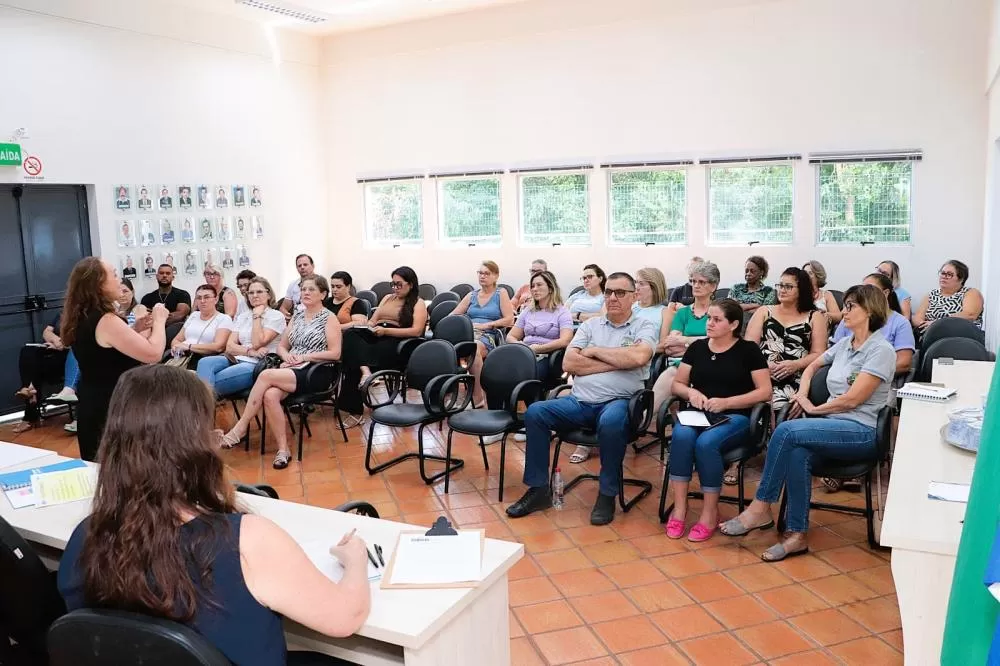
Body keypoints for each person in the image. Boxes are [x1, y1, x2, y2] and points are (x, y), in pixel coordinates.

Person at [57, 365, 370, 666]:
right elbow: (346, 617)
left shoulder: (86, 536)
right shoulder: (245, 541)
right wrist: (355, 559)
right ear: (194, 446)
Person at [720, 285, 897, 561]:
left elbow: (852, 400)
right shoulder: (846, 344)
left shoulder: (881, 350)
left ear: (870, 311)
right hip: (833, 426)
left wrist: (814, 409)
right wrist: (802, 393)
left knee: (787, 430)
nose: (844, 311)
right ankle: (797, 536)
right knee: (798, 454)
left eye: (851, 306)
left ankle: (760, 506)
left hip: (862, 432)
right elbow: (813, 365)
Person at [505, 272, 657, 526]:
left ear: (634, 296)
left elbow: (638, 358)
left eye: (620, 293)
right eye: (609, 292)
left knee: (610, 422)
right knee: (536, 412)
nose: (613, 298)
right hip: (580, 401)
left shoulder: (644, 326)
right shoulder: (590, 326)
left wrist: (595, 352)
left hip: (620, 402)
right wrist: (619, 361)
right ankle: (539, 489)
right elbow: (569, 362)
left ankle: (607, 494)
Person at [664, 299, 772, 542]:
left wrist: (727, 402)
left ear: (733, 324)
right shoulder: (698, 348)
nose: (709, 323)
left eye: (716, 319)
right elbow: (677, 384)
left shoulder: (748, 351)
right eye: (708, 318)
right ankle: (680, 509)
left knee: (706, 443)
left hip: (735, 416)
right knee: (681, 436)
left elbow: (765, 392)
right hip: (699, 413)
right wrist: (691, 393)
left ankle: (709, 513)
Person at [221, 276, 342, 468]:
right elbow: (282, 347)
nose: (306, 293)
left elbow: (335, 353)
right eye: (303, 290)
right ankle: (283, 450)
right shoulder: (298, 316)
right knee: (269, 395)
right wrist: (287, 358)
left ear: (323, 294)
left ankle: (240, 427)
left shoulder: (329, 318)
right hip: (292, 368)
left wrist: (303, 358)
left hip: (317, 371)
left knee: (266, 375)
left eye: (311, 290)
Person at [62, 257, 168, 461]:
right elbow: (153, 354)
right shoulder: (106, 319)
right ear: (99, 283)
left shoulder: (82, 316)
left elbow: (105, 351)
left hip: (92, 400)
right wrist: (160, 320)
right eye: (114, 275)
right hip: (113, 405)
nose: (119, 281)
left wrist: (134, 330)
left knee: (100, 467)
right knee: (119, 467)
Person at [339, 267, 428, 419]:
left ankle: (355, 409)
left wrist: (386, 331)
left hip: (398, 341)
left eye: (399, 284)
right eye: (392, 284)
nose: (395, 288)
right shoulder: (387, 298)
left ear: (411, 284)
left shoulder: (418, 303)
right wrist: (368, 326)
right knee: (350, 335)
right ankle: (365, 371)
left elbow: (416, 331)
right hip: (377, 334)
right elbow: (373, 320)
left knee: (352, 359)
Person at [745, 267, 828, 413]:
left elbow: (819, 353)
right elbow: (748, 348)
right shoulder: (764, 311)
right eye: (780, 285)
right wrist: (763, 366)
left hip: (795, 376)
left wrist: (796, 364)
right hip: (761, 373)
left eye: (788, 287)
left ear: (802, 290)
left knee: (782, 404)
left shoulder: (815, 317)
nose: (782, 290)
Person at [651, 260, 720, 414]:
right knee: (674, 373)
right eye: (693, 281)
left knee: (673, 374)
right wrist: (703, 341)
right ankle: (646, 418)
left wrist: (685, 341)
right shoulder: (682, 313)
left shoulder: (719, 312)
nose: (695, 285)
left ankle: (643, 419)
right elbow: (671, 346)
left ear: (713, 286)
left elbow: (720, 343)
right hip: (683, 364)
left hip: (713, 363)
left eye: (702, 282)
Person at [197, 277, 284, 398]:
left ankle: (201, 410)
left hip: (258, 365)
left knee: (204, 384)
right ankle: (204, 408)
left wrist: (257, 316)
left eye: (259, 292)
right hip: (237, 358)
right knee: (205, 362)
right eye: (251, 293)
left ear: (268, 295)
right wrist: (250, 351)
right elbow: (229, 346)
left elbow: (257, 343)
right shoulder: (243, 316)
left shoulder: (276, 316)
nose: (254, 295)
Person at [450, 261, 515, 409]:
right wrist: (464, 324)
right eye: (480, 273)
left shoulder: (500, 293)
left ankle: (477, 397)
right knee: (451, 347)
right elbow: (452, 316)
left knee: (474, 348)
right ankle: (445, 392)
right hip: (468, 333)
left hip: (489, 335)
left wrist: (486, 325)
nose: (482, 276)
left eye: (487, 273)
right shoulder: (471, 295)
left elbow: (509, 319)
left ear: (496, 276)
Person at [11, 312, 81, 434]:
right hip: (56, 351)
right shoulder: (63, 313)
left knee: (39, 365)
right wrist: (56, 340)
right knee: (28, 351)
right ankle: (29, 388)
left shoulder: (89, 314)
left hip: (73, 356)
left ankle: (31, 402)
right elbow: (46, 332)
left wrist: (63, 344)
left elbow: (84, 338)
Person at [505, 270, 574, 387]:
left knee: (522, 376)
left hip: (548, 356)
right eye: (532, 286)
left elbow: (566, 340)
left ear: (551, 288)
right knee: (500, 372)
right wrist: (522, 347)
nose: (534, 289)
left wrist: (539, 349)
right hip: (524, 353)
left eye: (539, 285)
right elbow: (510, 336)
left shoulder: (562, 312)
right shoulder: (528, 311)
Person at [168, 285, 234, 371]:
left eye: (206, 297)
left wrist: (189, 347)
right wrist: (176, 347)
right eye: (199, 298)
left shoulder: (224, 318)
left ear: (216, 299)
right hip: (181, 356)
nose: (202, 301)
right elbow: (177, 339)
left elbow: (219, 347)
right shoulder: (194, 315)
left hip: (202, 358)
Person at [912, 259, 984, 332]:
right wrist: (923, 324)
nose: (944, 276)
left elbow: (970, 315)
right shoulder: (931, 295)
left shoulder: (970, 293)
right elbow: (917, 318)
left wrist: (938, 323)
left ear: (961, 279)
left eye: (949, 274)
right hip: (932, 334)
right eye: (942, 273)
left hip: (962, 335)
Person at [140, 264, 192, 346]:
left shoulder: (182, 294)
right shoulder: (147, 298)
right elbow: (145, 319)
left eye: (168, 273)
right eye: (161, 273)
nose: (164, 275)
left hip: (176, 335)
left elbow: (180, 315)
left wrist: (156, 317)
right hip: (153, 336)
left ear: (173, 277)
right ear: (157, 276)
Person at [803, 260, 842, 325]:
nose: (806, 276)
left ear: (818, 276)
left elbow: (839, 316)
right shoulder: (797, 294)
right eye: (804, 273)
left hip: (822, 328)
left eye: (810, 273)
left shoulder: (827, 295)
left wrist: (825, 314)